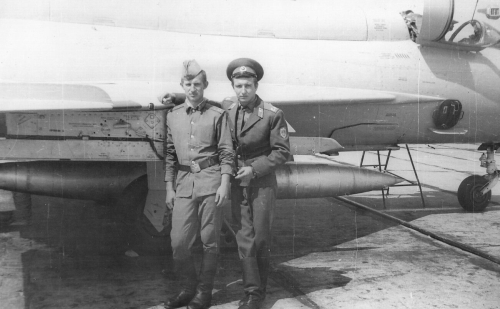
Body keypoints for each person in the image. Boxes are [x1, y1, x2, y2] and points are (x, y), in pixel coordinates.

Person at [163, 59, 234, 309]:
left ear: (205, 86)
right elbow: (170, 155)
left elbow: (227, 152)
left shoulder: (217, 115)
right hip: (183, 185)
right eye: (188, 84)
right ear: (182, 85)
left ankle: (204, 293)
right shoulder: (172, 116)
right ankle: (188, 287)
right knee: (178, 243)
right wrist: (169, 188)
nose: (192, 88)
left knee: (209, 241)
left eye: (197, 84)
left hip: (211, 183)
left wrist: (225, 184)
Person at [222, 58, 291, 309]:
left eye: (248, 86)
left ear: (256, 85)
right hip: (237, 181)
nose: (243, 91)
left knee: (260, 237)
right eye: (238, 86)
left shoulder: (272, 115)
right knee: (244, 237)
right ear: (233, 85)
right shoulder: (227, 110)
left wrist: (255, 169)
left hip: (261, 182)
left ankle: (258, 291)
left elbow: (282, 151)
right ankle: (252, 291)